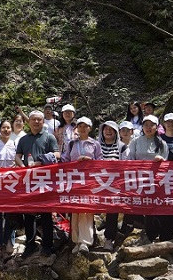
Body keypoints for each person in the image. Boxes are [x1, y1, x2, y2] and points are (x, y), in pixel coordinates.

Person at [14, 110, 60, 258]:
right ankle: (30, 244)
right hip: (28, 179)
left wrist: (43, 159)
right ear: (29, 122)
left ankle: (47, 244)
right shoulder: (23, 139)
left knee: (46, 213)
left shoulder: (49, 137)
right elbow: (17, 156)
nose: (36, 122)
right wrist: (22, 167)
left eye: (39, 120)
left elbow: (58, 154)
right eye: (33, 119)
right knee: (29, 213)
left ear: (43, 122)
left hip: (45, 179)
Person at [60, 116, 101, 254]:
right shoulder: (71, 144)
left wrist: (90, 160)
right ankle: (76, 240)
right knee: (75, 210)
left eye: (86, 126)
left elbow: (101, 162)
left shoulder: (95, 144)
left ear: (90, 128)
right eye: (80, 126)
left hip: (89, 180)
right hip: (74, 180)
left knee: (86, 210)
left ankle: (85, 241)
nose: (83, 128)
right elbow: (64, 160)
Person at [127, 115, 169, 243]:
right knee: (140, 205)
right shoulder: (135, 141)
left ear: (157, 127)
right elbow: (130, 158)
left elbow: (166, 160)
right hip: (139, 179)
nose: (148, 128)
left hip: (156, 180)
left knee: (154, 206)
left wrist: (161, 160)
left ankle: (153, 233)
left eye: (152, 125)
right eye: (146, 125)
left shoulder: (162, 143)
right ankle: (138, 229)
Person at [98, 120, 126, 251]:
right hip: (96, 182)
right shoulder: (95, 145)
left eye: (111, 129)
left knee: (112, 211)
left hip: (114, 183)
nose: (108, 131)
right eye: (106, 129)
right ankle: (90, 237)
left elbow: (128, 164)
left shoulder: (122, 147)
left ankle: (109, 238)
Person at [0, 120, 18, 253]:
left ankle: (10, 241)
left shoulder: (15, 144)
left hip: (11, 183)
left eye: (8, 128)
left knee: (10, 213)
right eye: (3, 127)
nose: (6, 130)